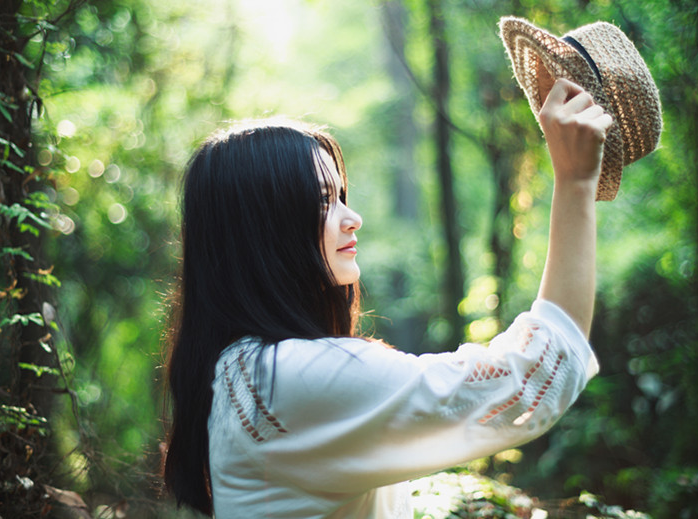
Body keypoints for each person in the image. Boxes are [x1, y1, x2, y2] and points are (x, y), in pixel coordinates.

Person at [162, 77, 611, 518]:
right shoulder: (284, 378)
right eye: (323, 202)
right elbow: (528, 377)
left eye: (341, 196)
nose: (351, 217)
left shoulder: (242, 369)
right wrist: (575, 183)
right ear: (264, 230)